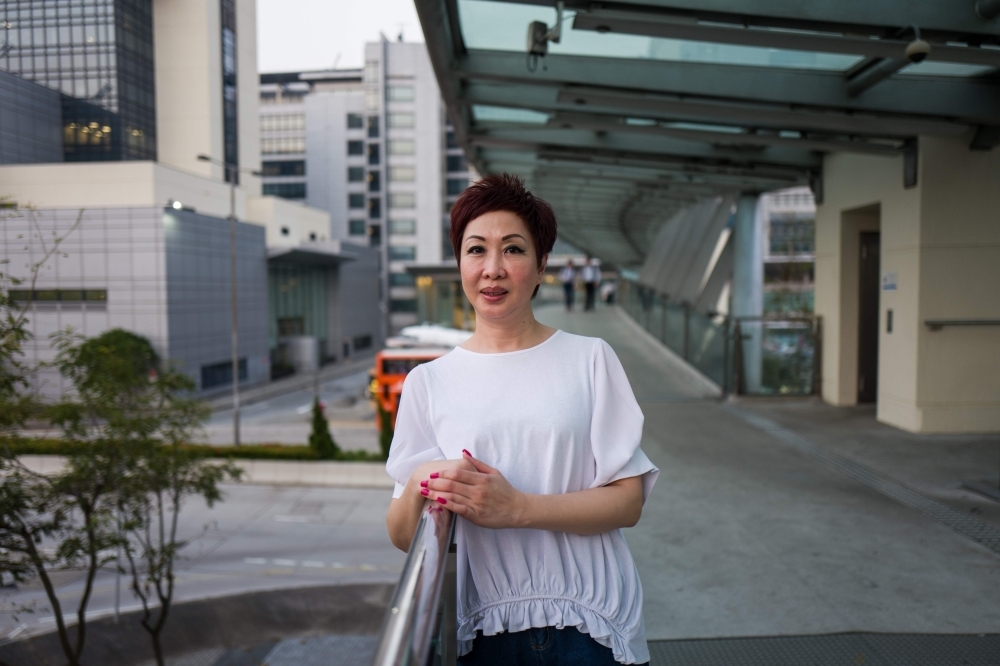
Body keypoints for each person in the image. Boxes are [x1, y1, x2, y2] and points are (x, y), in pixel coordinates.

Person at [386, 173, 658, 666]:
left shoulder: (590, 358)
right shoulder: (429, 381)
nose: (492, 269)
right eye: (475, 250)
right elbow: (405, 535)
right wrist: (420, 482)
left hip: (588, 625)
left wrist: (518, 508)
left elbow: (628, 503)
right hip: (482, 633)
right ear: (459, 263)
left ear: (541, 266)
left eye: (512, 249)